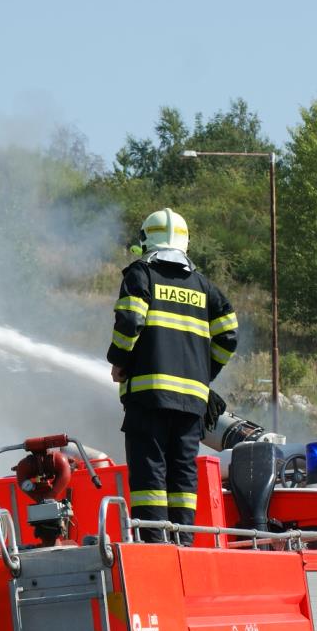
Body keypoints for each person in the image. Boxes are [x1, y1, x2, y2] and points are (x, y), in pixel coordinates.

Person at [107, 209, 238, 543]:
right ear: (185, 242)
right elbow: (229, 335)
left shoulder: (141, 275)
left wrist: (119, 361)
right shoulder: (204, 286)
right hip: (192, 402)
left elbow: (130, 321)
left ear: (145, 240)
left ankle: (155, 546)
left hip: (149, 398)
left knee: (151, 471)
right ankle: (185, 543)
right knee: (183, 474)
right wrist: (203, 375)